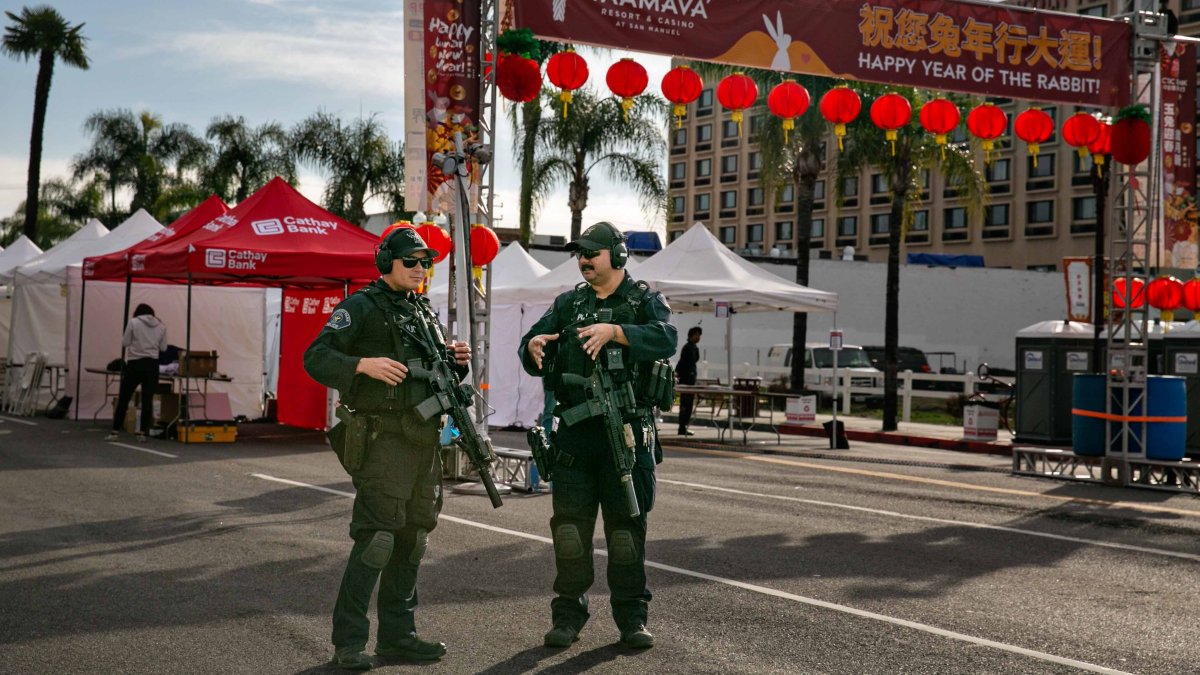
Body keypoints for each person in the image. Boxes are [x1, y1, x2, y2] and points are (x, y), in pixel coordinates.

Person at [303, 227, 472, 671]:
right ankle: (349, 642)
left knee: (413, 540)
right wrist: (362, 364)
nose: (419, 269)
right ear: (386, 262)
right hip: (383, 442)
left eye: (425, 262)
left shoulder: (423, 311)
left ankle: (398, 636)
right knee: (377, 539)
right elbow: (315, 357)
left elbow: (436, 377)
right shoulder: (359, 307)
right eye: (410, 261)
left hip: (423, 442)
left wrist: (455, 361)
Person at [519, 221, 677, 650]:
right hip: (575, 436)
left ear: (618, 256)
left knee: (626, 533)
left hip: (626, 434)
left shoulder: (644, 300)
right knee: (570, 532)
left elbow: (667, 337)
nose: (584, 260)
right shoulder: (568, 304)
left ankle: (632, 619)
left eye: (592, 253)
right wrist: (533, 347)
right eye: (580, 254)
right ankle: (568, 617)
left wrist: (617, 333)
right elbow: (532, 343)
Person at [105, 303, 167, 442]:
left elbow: (125, 342)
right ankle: (142, 433)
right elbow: (163, 348)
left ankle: (115, 432)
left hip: (135, 364)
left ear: (138, 312)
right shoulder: (161, 326)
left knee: (124, 398)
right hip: (152, 365)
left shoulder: (133, 322)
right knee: (147, 400)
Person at [675, 326, 702, 436]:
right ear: (691, 335)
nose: (698, 337)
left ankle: (684, 426)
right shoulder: (687, 348)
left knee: (689, 405)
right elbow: (682, 362)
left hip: (691, 379)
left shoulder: (695, 348)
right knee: (685, 404)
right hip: (686, 379)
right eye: (696, 335)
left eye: (699, 335)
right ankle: (682, 427)